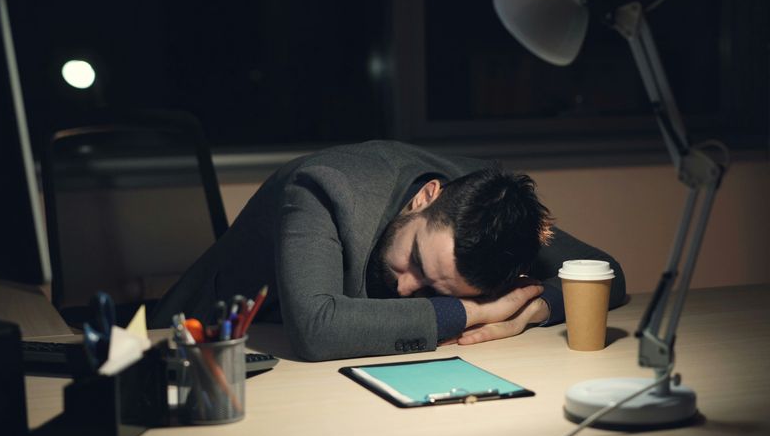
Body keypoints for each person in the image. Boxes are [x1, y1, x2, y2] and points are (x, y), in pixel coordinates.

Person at [149, 140, 625, 360]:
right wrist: (475, 312)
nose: (405, 286)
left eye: (439, 289)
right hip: (201, 351)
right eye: (416, 261)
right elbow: (317, 329)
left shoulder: (491, 208)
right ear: (426, 197)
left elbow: (608, 273)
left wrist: (530, 312)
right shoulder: (324, 188)